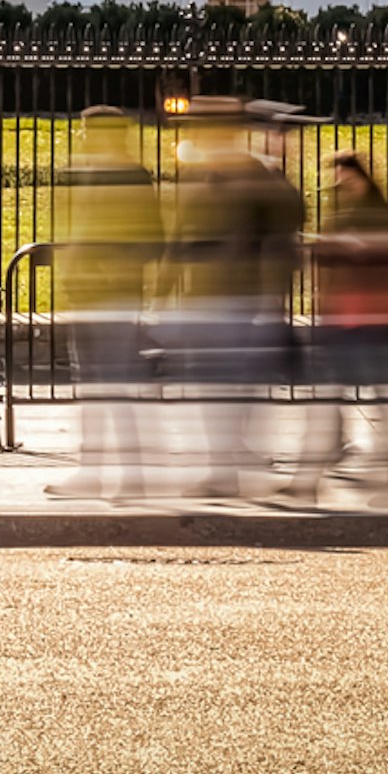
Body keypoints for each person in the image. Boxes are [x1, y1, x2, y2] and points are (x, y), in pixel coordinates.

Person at [154, 99, 302, 501]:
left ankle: (227, 467)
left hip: (239, 295)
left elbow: (291, 216)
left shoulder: (249, 172)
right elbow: (178, 236)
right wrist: (162, 293)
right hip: (207, 296)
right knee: (214, 386)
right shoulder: (198, 173)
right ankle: (230, 461)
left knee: (225, 385)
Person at [289, 152, 388, 509]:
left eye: (346, 177)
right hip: (347, 323)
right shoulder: (345, 215)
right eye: (337, 178)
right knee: (327, 404)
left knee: (378, 407)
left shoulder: (384, 214)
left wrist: (354, 249)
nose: (341, 184)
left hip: (374, 321)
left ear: (362, 177)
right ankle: (307, 482)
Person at [47, 106, 161, 503]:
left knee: (115, 385)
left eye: (87, 131)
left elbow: (152, 240)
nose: (81, 138)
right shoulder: (82, 174)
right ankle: (91, 471)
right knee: (90, 386)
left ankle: (134, 476)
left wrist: (111, 266)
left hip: (115, 295)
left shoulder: (133, 176)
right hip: (83, 294)